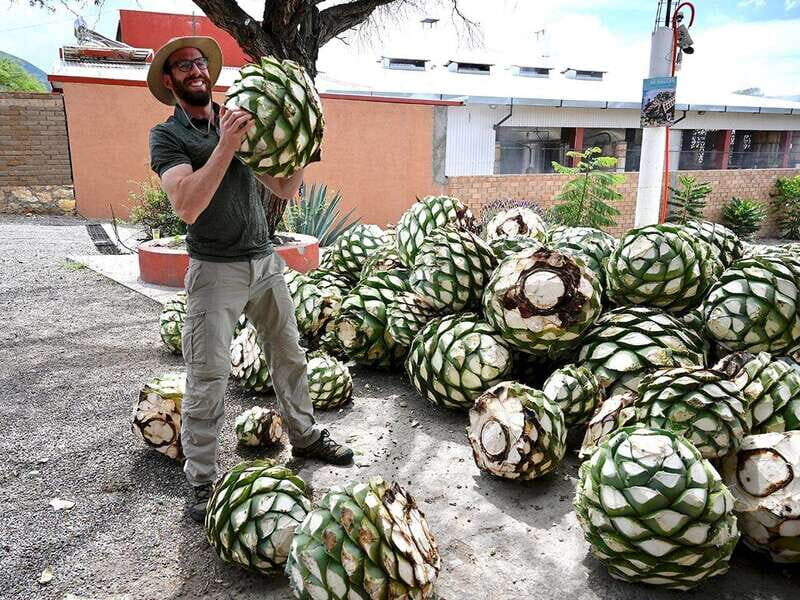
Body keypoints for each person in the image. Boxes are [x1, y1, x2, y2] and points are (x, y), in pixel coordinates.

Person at [146, 37, 353, 523]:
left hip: (264, 261)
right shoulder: (169, 136)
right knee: (209, 374)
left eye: (200, 62)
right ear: (170, 80)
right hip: (215, 270)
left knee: (289, 355)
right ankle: (201, 478)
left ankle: (303, 436)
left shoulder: (239, 117)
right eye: (184, 66)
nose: (196, 70)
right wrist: (225, 146)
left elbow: (282, 186)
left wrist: (304, 140)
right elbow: (187, 205)